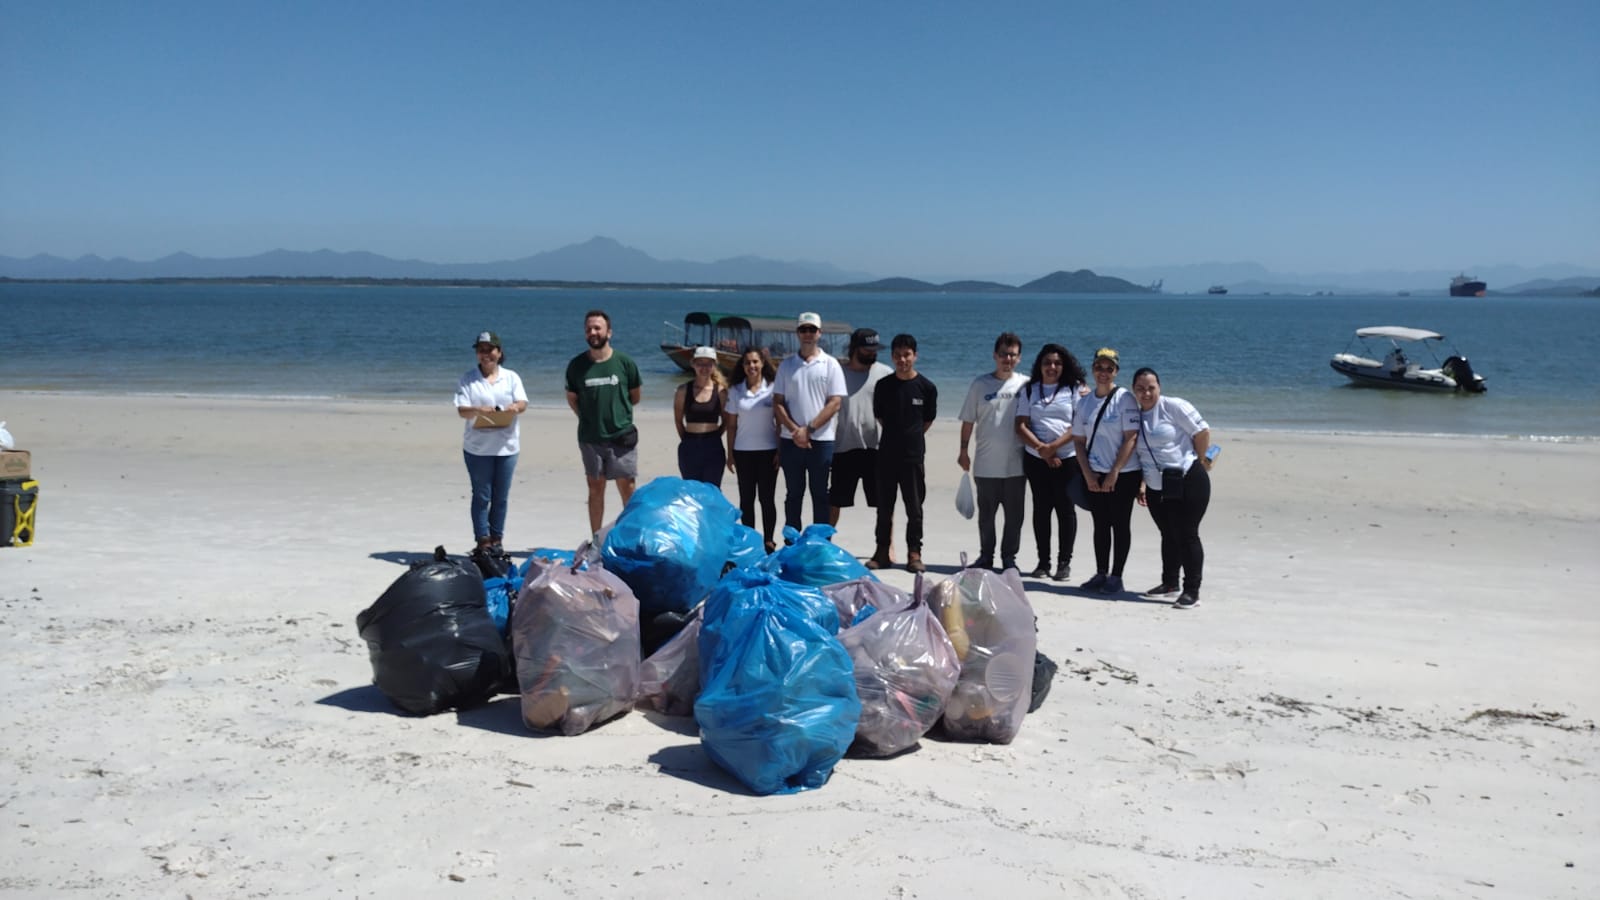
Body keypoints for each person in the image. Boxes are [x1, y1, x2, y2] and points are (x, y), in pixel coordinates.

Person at [1128, 367, 1213, 609]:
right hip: (1157, 487)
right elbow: (1143, 454)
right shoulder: (1135, 414)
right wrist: (1143, 484)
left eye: (1150, 388)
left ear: (1159, 388)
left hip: (1188, 478)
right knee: (1168, 533)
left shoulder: (1173, 406)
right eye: (1140, 389)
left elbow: (1202, 431)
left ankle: (1192, 590)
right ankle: (1169, 583)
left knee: (1187, 534)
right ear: (1134, 390)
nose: (1146, 393)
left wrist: (1197, 461)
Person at [565, 309, 643, 536]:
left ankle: (630, 537)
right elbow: (573, 399)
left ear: (609, 332)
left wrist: (617, 416)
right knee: (595, 488)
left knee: (627, 487)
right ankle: (596, 539)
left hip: (622, 436)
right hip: (590, 438)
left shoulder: (625, 363)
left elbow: (635, 396)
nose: (593, 332)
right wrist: (590, 418)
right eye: (589, 328)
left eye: (597, 328)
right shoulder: (576, 365)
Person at [1072, 348, 1142, 595]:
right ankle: (1101, 572)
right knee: (1100, 524)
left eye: (1109, 368)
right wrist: (1089, 475)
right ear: (1092, 369)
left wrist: (1115, 472)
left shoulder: (1125, 399)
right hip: (1094, 472)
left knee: (1120, 524)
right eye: (1099, 368)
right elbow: (1078, 441)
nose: (1103, 373)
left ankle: (1116, 576)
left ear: (1116, 372)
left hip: (1124, 474)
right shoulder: (1085, 402)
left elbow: (1131, 438)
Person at [957, 332, 1029, 571]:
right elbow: (968, 420)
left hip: (1016, 465)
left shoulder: (1026, 384)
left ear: (1019, 358)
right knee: (986, 516)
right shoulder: (980, 384)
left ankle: (1009, 558)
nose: (1007, 359)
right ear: (995, 356)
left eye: (1012, 355)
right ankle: (986, 555)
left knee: (1014, 518)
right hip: (985, 465)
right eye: (1003, 354)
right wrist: (963, 450)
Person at [1014, 343, 1086, 581]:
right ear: (1040, 366)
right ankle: (1043, 562)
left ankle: (1064, 563)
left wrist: (1053, 448)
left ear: (1063, 366)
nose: (1052, 367)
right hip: (1036, 459)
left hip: (1067, 459)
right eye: (1047, 363)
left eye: (1057, 363)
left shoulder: (1074, 390)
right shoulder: (1029, 390)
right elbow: (1021, 425)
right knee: (1041, 510)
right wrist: (1042, 450)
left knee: (1066, 510)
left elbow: (1078, 425)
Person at [454, 331, 528, 554]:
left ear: (499, 352)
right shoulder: (468, 379)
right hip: (478, 448)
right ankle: (482, 539)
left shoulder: (511, 377)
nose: (485, 354)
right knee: (481, 495)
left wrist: (514, 408)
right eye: (481, 350)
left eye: (490, 350)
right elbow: (462, 411)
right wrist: (478, 410)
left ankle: (497, 539)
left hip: (506, 447)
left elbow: (522, 402)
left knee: (501, 497)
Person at [773, 312, 847, 532]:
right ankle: (792, 540)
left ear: (819, 333)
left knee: (820, 493)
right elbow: (778, 402)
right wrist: (796, 431)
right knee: (793, 494)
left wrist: (810, 429)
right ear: (797, 333)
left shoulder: (831, 364)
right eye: (803, 329)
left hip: (821, 440)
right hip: (791, 440)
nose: (808, 334)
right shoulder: (786, 366)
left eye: (812, 330)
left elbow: (835, 403)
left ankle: (819, 543)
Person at [870, 333, 937, 573]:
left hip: (913, 456)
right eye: (898, 355)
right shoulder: (884, 386)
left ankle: (914, 553)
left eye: (907, 355)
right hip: (887, 454)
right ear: (892, 357)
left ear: (915, 356)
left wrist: (911, 436)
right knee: (884, 507)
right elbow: (880, 417)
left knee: (914, 508)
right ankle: (881, 551)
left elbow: (927, 420)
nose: (902, 360)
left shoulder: (927, 387)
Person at [828, 328, 893, 544]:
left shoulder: (885, 373)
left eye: (875, 349)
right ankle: (824, 543)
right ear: (855, 348)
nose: (872, 353)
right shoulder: (838, 373)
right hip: (843, 446)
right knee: (834, 500)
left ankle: (886, 545)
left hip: (876, 448)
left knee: (883, 502)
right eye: (867, 349)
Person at [726, 346, 781, 552]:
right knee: (746, 499)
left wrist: (780, 451)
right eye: (748, 362)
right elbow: (731, 425)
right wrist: (729, 453)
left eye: (755, 362)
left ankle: (768, 539)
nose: (752, 366)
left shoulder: (773, 388)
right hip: (743, 451)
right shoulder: (735, 390)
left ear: (763, 363)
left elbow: (780, 422)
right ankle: (750, 539)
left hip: (768, 451)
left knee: (767, 498)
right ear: (743, 366)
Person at [674, 345, 730, 486]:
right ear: (693, 364)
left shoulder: (721, 391)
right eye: (700, 363)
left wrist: (714, 436)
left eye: (708, 364)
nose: (704, 368)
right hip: (689, 446)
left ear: (714, 365)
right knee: (692, 491)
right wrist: (688, 440)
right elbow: (678, 421)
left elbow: (727, 420)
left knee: (712, 491)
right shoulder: (683, 390)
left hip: (713, 446)